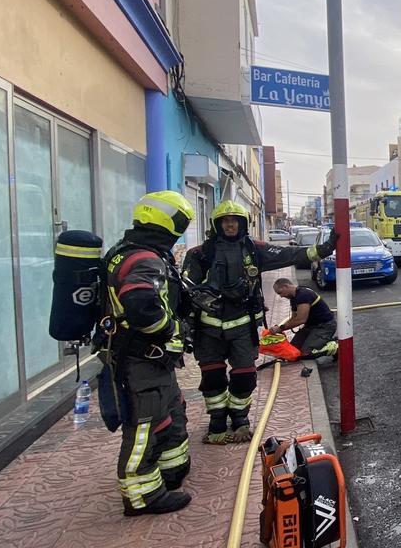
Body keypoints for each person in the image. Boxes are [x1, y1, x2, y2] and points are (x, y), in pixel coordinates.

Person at [183, 200, 338, 444]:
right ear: (216, 224)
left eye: (235, 220)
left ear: (243, 223)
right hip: (208, 329)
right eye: (225, 220)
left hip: (242, 326)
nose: (231, 224)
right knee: (212, 377)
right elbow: (185, 293)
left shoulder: (254, 250)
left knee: (245, 375)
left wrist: (324, 249)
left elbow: (289, 254)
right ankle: (216, 422)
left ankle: (240, 419)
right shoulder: (199, 254)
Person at [103, 190, 195, 515]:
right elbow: (142, 307)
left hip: (153, 361)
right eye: (180, 223)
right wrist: (172, 330)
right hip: (141, 360)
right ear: (168, 222)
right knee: (144, 425)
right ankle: (142, 497)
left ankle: (170, 472)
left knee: (171, 411)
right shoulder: (145, 258)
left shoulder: (130, 251)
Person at [269, 277, 338, 361]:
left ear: (286, 286)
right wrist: (279, 329)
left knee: (306, 353)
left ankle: (335, 347)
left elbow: (301, 319)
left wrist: (280, 328)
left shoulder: (303, 295)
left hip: (325, 326)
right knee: (292, 350)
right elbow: (294, 318)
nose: (281, 296)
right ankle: (320, 342)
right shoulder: (294, 297)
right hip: (311, 326)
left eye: (280, 292)